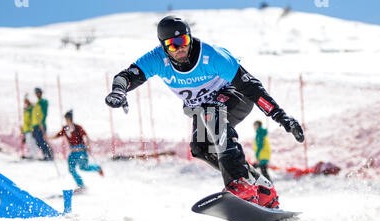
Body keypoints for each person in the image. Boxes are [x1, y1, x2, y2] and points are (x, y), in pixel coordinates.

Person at [105, 16, 304, 208]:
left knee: (212, 112)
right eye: (173, 45)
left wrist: (282, 118)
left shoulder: (212, 56)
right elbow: (127, 75)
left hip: (235, 97)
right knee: (202, 147)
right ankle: (261, 188)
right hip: (206, 110)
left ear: (190, 37)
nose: (180, 47)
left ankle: (239, 183)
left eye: (183, 40)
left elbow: (253, 88)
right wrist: (119, 90)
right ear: (164, 47)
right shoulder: (157, 59)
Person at [48, 110, 104, 192]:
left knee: (84, 167)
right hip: (73, 152)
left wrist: (88, 145)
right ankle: (81, 185)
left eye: (68, 119)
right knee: (71, 169)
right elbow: (58, 135)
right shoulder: (65, 128)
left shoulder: (77, 128)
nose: (67, 121)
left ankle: (97, 168)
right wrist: (48, 138)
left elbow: (85, 135)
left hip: (81, 151)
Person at [31, 93, 53, 160]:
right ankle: (45, 154)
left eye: (38, 92)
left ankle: (48, 154)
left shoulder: (43, 102)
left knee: (42, 140)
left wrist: (42, 123)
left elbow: (44, 113)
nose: (37, 94)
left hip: (40, 125)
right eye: (36, 93)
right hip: (35, 125)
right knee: (37, 141)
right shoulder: (37, 103)